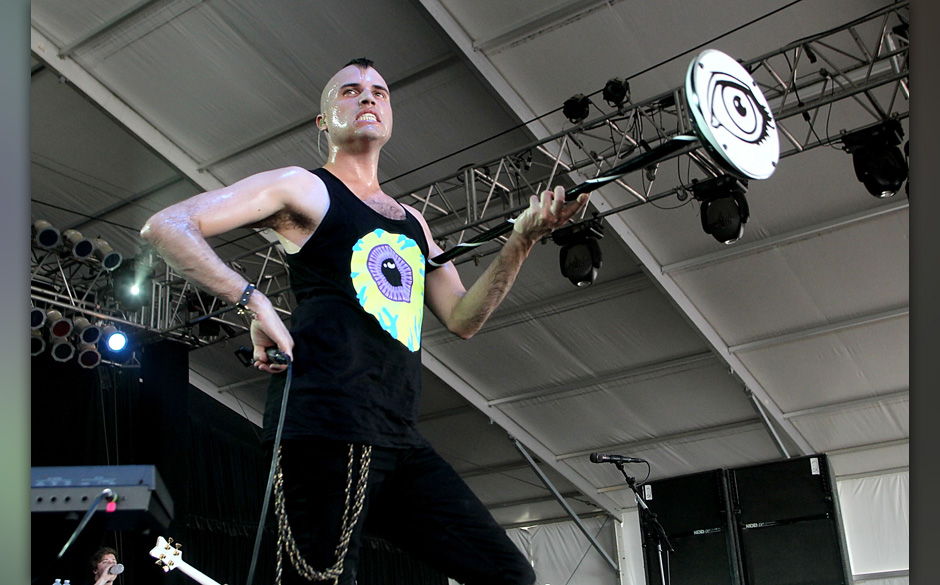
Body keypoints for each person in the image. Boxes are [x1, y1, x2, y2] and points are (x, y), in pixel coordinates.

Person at [141, 57, 589, 585]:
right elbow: (167, 225)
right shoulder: (304, 188)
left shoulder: (413, 222)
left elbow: (463, 318)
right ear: (323, 120)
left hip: (398, 436)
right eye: (350, 91)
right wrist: (254, 301)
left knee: (509, 574)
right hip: (325, 426)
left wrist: (522, 240)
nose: (369, 98)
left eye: (379, 91)